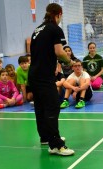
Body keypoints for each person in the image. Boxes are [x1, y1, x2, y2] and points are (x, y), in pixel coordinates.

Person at [29, 3, 74, 156]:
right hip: (44, 77)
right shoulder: (55, 29)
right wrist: (70, 62)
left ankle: (45, 137)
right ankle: (56, 145)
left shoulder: (37, 29)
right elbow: (59, 52)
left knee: (40, 108)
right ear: (59, 14)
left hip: (34, 75)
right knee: (52, 108)